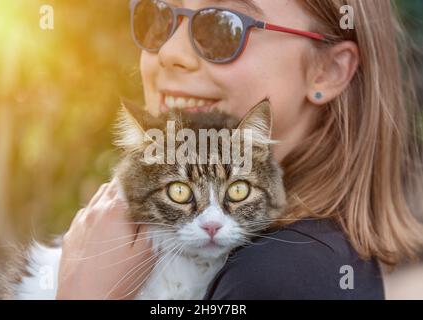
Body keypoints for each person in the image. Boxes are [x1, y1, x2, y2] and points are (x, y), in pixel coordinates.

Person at [56, 0, 423, 299]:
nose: (169, 52)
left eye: (223, 26)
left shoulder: (275, 279)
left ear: (328, 70)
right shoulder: (313, 252)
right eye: (159, 16)